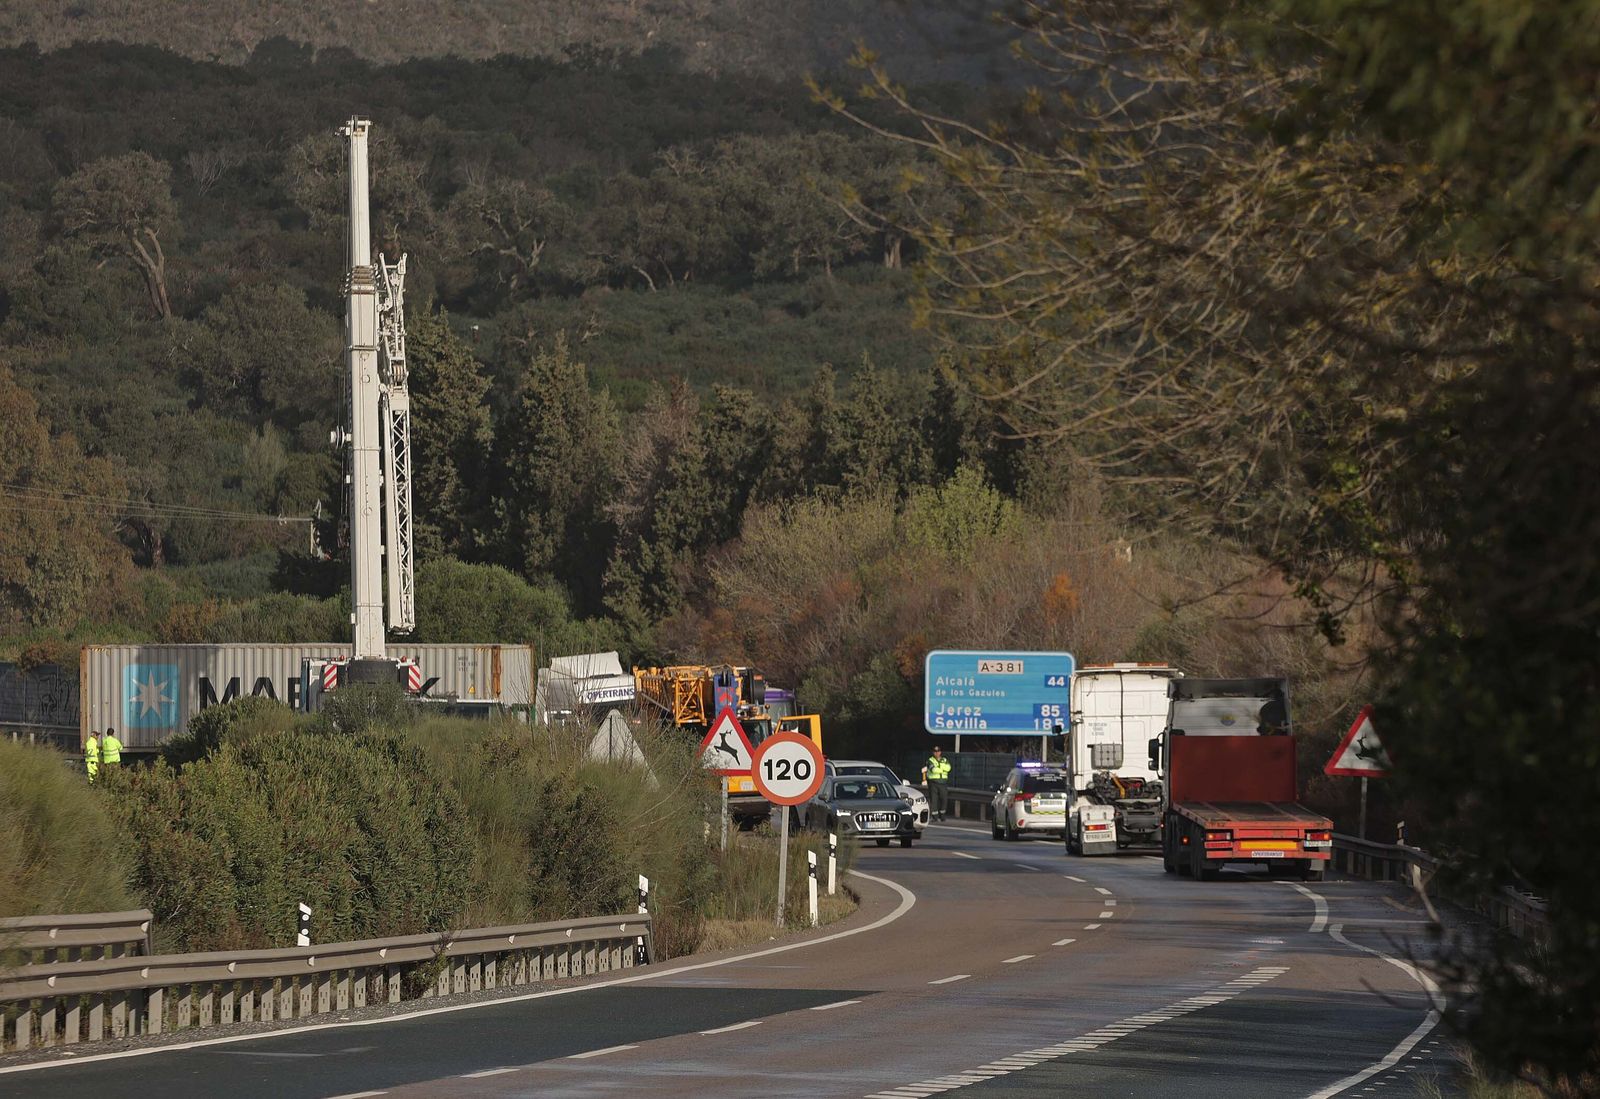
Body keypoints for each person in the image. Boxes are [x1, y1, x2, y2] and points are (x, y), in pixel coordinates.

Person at [921, 745, 952, 821]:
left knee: (944, 799)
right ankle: (935, 816)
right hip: (933, 783)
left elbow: (949, 768)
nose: (937, 753)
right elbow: (933, 770)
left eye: (938, 751)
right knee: (934, 800)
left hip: (943, 782)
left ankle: (942, 815)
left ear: (940, 752)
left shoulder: (944, 760)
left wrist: (940, 768)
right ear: (933, 752)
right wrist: (943, 769)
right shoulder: (930, 760)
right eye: (935, 752)